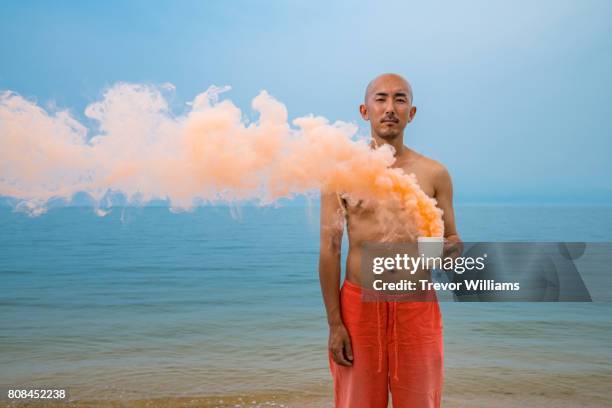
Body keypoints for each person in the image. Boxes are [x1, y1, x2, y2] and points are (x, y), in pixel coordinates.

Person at [318, 73, 462, 407]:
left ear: (411, 112)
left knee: (421, 401)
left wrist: (439, 250)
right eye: (380, 98)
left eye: (400, 99)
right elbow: (330, 250)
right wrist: (335, 324)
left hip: (417, 306)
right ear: (364, 110)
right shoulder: (341, 173)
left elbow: (451, 239)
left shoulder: (434, 173)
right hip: (358, 308)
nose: (390, 108)